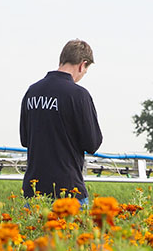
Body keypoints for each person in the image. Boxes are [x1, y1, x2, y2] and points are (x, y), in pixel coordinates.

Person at [19, 39, 103, 206]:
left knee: (34, 233)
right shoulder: (78, 95)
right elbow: (92, 144)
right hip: (68, 191)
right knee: (72, 232)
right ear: (82, 65)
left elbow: (24, 139)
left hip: (34, 191)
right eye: (85, 70)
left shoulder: (32, 91)